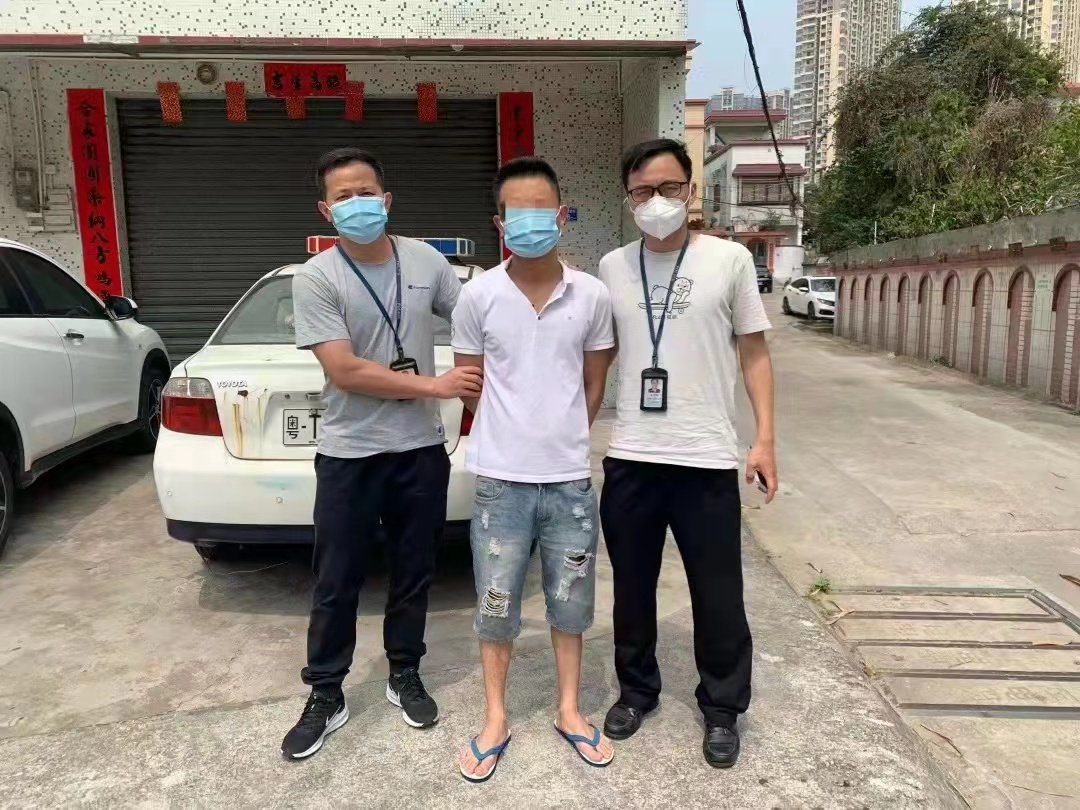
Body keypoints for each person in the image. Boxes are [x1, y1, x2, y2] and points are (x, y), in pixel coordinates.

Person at [281, 147, 484, 760]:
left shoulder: (426, 261)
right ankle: (326, 691)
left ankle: (404, 672)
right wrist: (436, 386)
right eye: (342, 196)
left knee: (414, 570)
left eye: (365, 192)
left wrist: (538, 277)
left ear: (387, 199)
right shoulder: (317, 277)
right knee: (336, 578)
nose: (356, 204)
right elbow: (344, 370)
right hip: (349, 453)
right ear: (326, 210)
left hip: (419, 450)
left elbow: (477, 315)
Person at [597, 138, 777, 769]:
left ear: (691, 191)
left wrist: (764, 439)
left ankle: (722, 708)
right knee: (631, 588)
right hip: (632, 455)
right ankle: (636, 692)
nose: (657, 200)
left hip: (705, 457)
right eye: (643, 190)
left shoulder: (728, 260)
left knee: (718, 591)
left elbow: (754, 353)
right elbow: (599, 357)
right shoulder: (612, 266)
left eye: (669, 187)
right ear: (628, 199)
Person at [451, 157, 616, 783]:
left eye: (541, 209)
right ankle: (495, 717)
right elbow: (470, 384)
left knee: (571, 600)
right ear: (500, 223)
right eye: (516, 213)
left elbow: (594, 383)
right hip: (500, 482)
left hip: (569, 480)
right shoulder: (478, 296)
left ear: (562, 214)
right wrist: (511, 430)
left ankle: (569, 709)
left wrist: (560, 434)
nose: (530, 222)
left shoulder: (591, 295)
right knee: (496, 602)